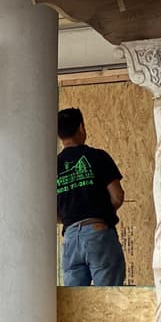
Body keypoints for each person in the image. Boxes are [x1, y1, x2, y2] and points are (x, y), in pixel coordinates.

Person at [56, 107, 126, 287]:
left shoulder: (53, 165)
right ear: (81, 127)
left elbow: (51, 213)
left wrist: (72, 216)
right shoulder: (97, 157)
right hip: (98, 233)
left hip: (70, 239)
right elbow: (117, 196)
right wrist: (98, 213)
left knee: (77, 305)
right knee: (108, 300)